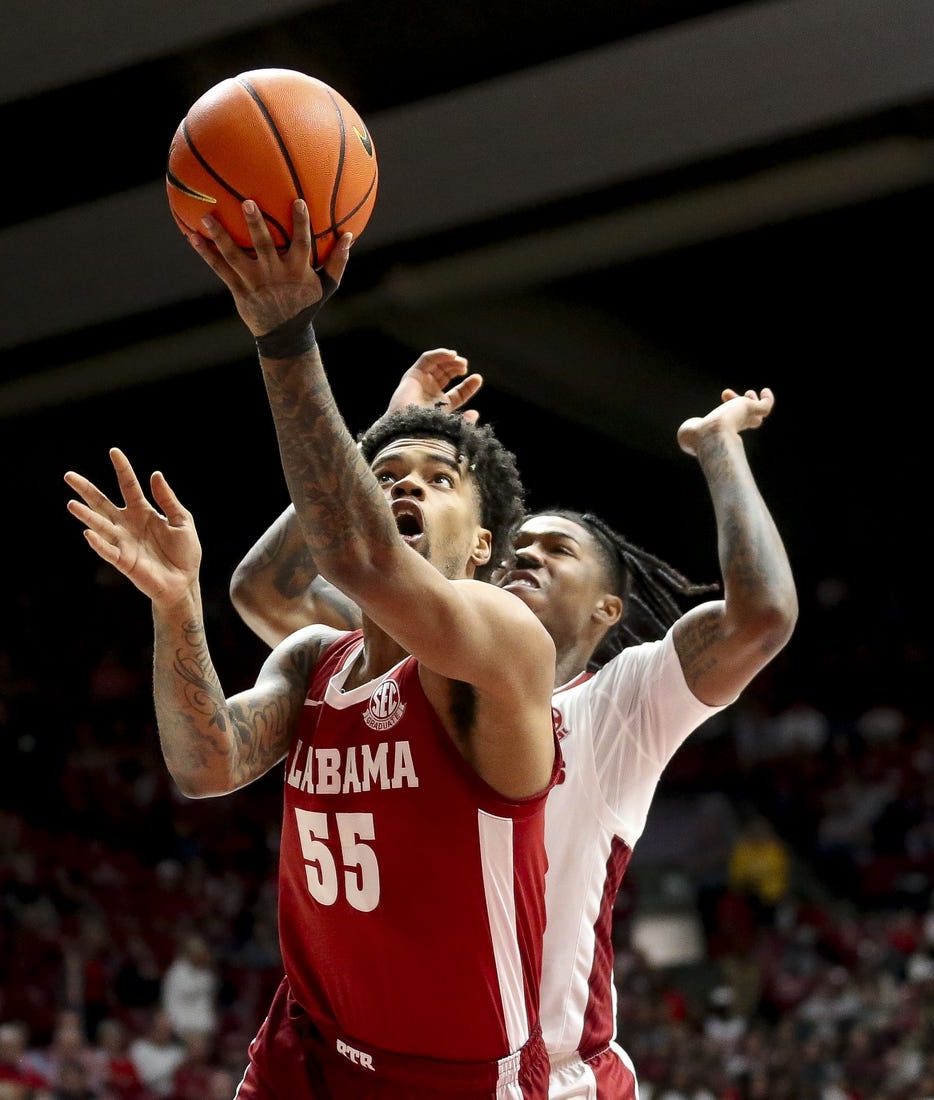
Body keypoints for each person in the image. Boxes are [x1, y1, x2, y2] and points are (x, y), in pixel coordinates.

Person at [64, 198, 560, 1100]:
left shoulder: (500, 648)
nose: (404, 485)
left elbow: (356, 552)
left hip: (449, 1078)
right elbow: (207, 759)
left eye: (438, 479)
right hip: (305, 1051)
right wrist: (176, 602)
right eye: (386, 477)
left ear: (485, 543)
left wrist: (285, 335)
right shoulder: (316, 663)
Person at [229, 351, 798, 1098]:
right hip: (392, 1065)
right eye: (519, 546)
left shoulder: (620, 704)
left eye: (558, 551)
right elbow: (269, 591)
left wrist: (719, 447)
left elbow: (761, 618)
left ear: (606, 611)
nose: (527, 556)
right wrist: (387, 441)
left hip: (551, 1077)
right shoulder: (406, 670)